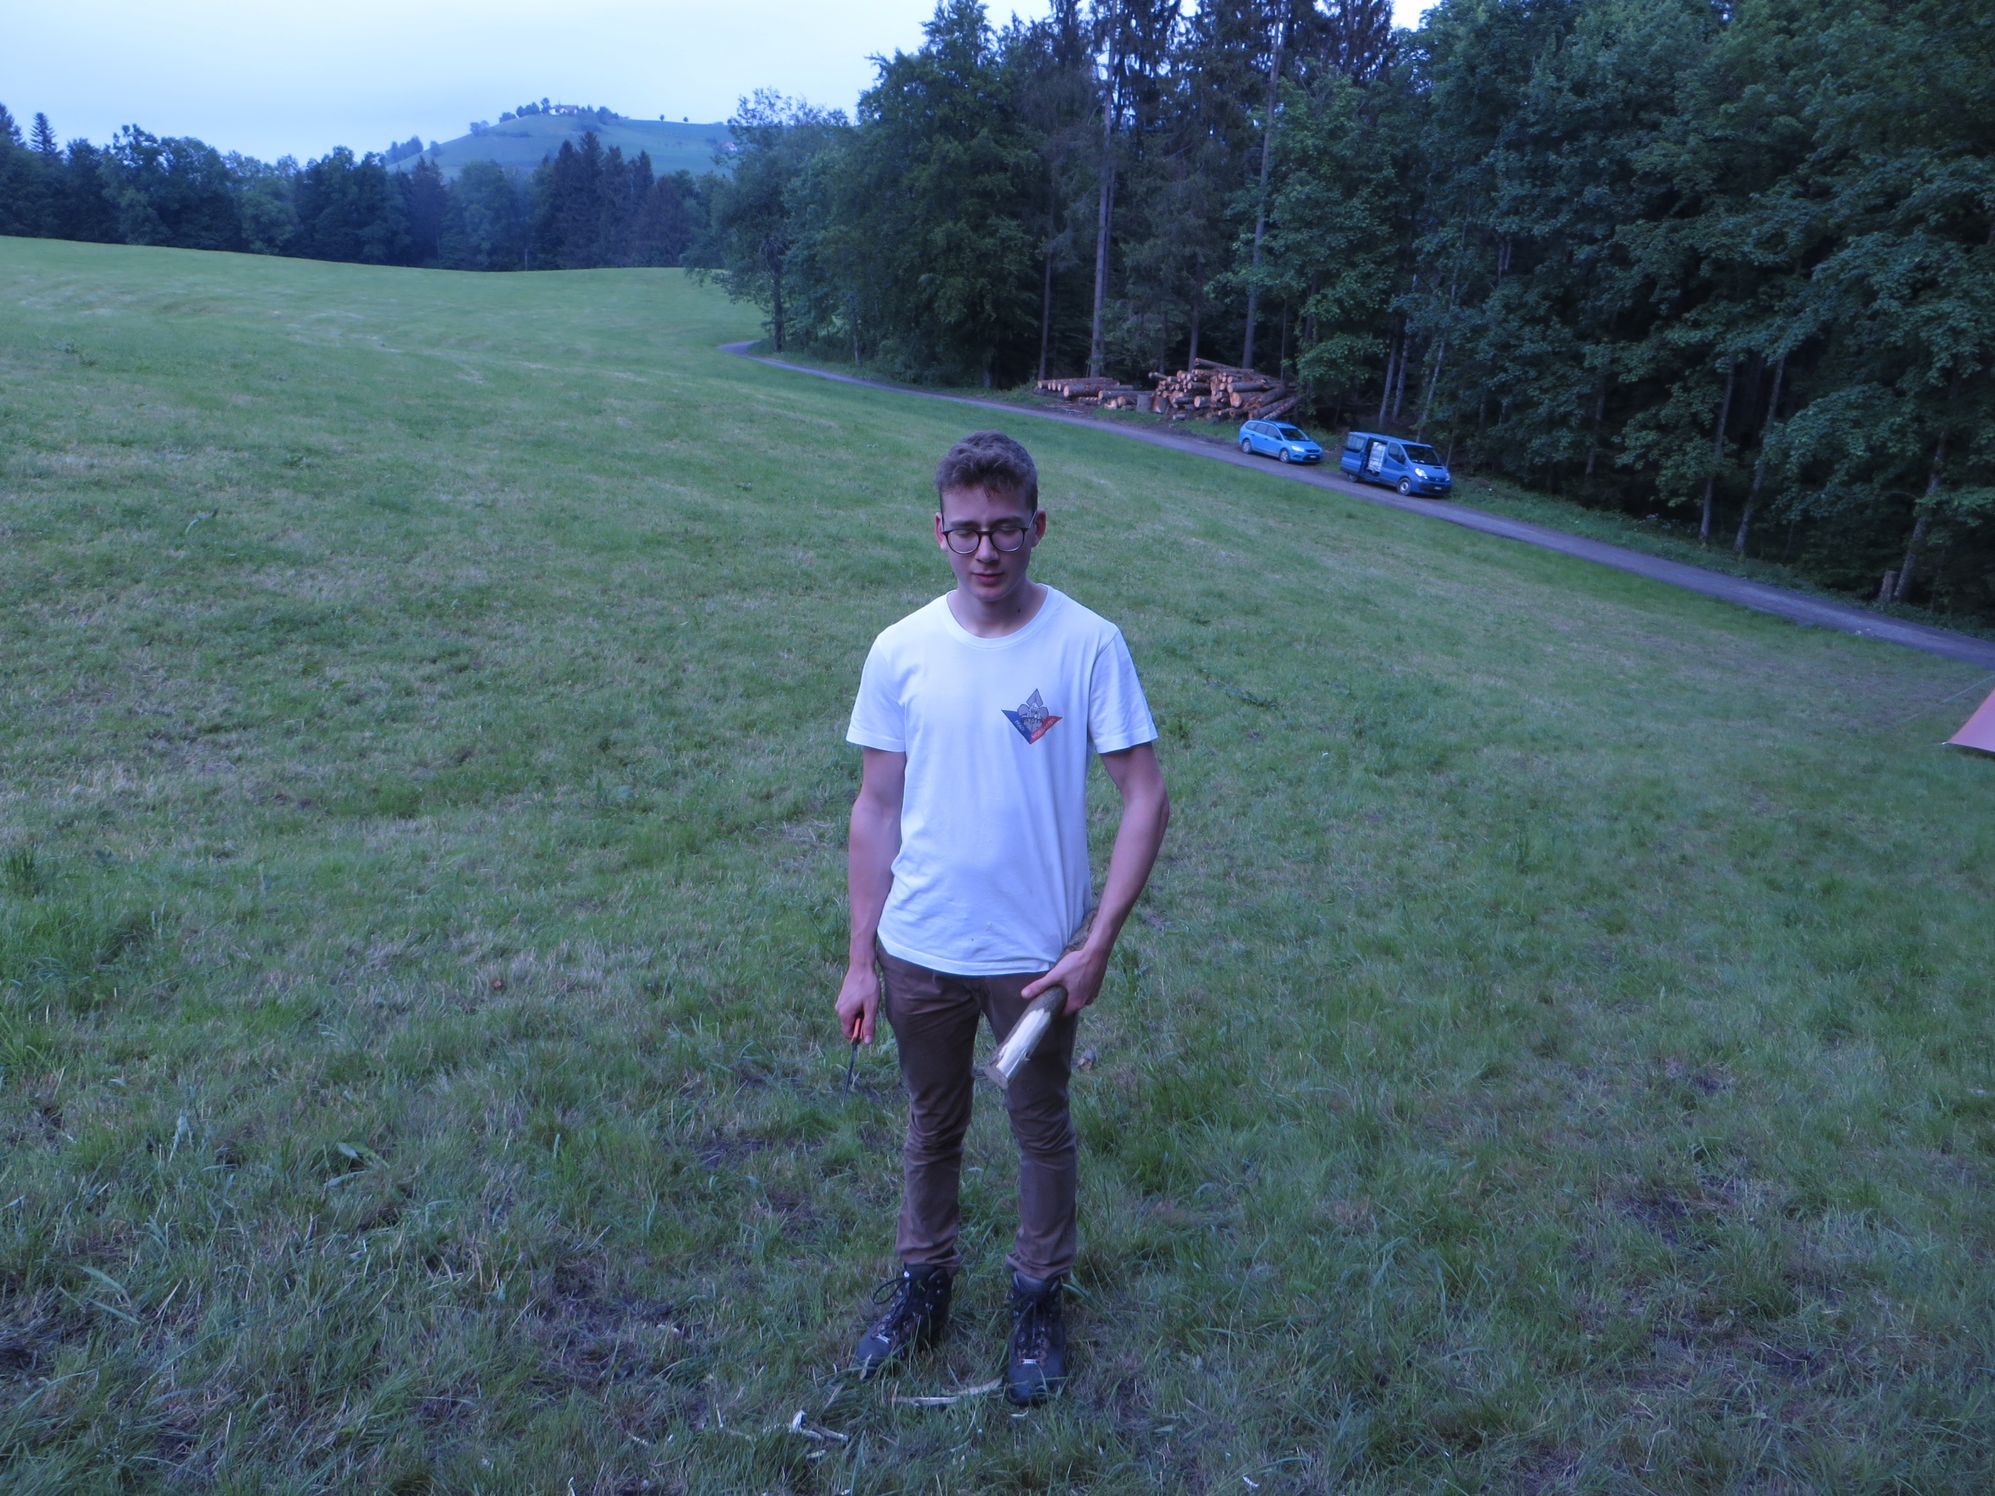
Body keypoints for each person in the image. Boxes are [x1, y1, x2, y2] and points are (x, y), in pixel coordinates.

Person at [836, 430, 1170, 1406]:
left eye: (1007, 530)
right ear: (938, 531)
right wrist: (859, 960)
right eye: (968, 531)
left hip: (1034, 966)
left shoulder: (1086, 644)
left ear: (1038, 527)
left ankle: (1036, 1297)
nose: (987, 551)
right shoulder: (901, 649)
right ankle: (923, 1284)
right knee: (932, 1121)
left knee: (1039, 1127)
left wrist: (1097, 942)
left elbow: (1145, 795)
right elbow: (875, 809)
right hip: (920, 951)